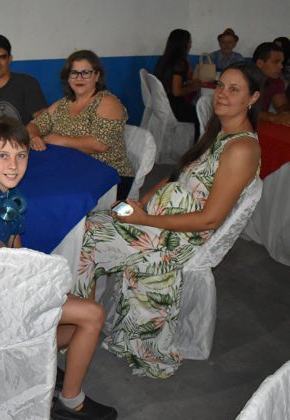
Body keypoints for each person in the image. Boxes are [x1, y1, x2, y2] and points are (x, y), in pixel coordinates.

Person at [75, 61, 264, 378]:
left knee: (87, 239)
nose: (222, 94)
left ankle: (79, 325)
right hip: (160, 221)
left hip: (179, 238)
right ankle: (82, 317)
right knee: (89, 223)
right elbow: (177, 175)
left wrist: (146, 220)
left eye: (234, 89)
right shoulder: (218, 132)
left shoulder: (242, 148)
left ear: (253, 98)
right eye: (220, 85)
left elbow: (209, 219)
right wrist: (139, 205)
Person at [0, 117, 117, 420]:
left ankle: (29, 363)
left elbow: (15, 243)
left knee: (74, 319)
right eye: (3, 155)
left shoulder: (9, 194)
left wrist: (35, 276)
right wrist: (13, 263)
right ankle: (71, 403)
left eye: (21, 155)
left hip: (3, 287)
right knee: (92, 314)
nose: (13, 165)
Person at [27, 50, 135, 200]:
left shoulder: (107, 102)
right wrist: (34, 136)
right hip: (73, 169)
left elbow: (100, 144)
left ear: (97, 76)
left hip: (109, 175)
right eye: (74, 73)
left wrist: (59, 140)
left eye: (86, 73)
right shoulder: (64, 103)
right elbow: (34, 125)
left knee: (53, 193)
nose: (79, 78)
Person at [0, 34, 47, 132]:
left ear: (10, 59)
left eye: (2, 57)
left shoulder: (27, 83)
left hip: (25, 141)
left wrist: (31, 135)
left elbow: (43, 121)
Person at [154, 29, 201, 140]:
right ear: (183, 44)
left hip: (162, 105)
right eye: (189, 42)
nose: (191, 45)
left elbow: (172, 83)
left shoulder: (163, 60)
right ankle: (196, 148)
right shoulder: (179, 63)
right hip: (174, 107)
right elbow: (177, 92)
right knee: (202, 116)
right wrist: (193, 87)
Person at [253, 42, 290, 125]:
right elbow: (241, 109)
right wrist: (271, 117)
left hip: (262, 126)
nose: (281, 66)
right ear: (260, 64)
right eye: (276, 62)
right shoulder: (242, 79)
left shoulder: (276, 81)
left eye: (281, 62)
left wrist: (286, 113)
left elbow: (281, 105)